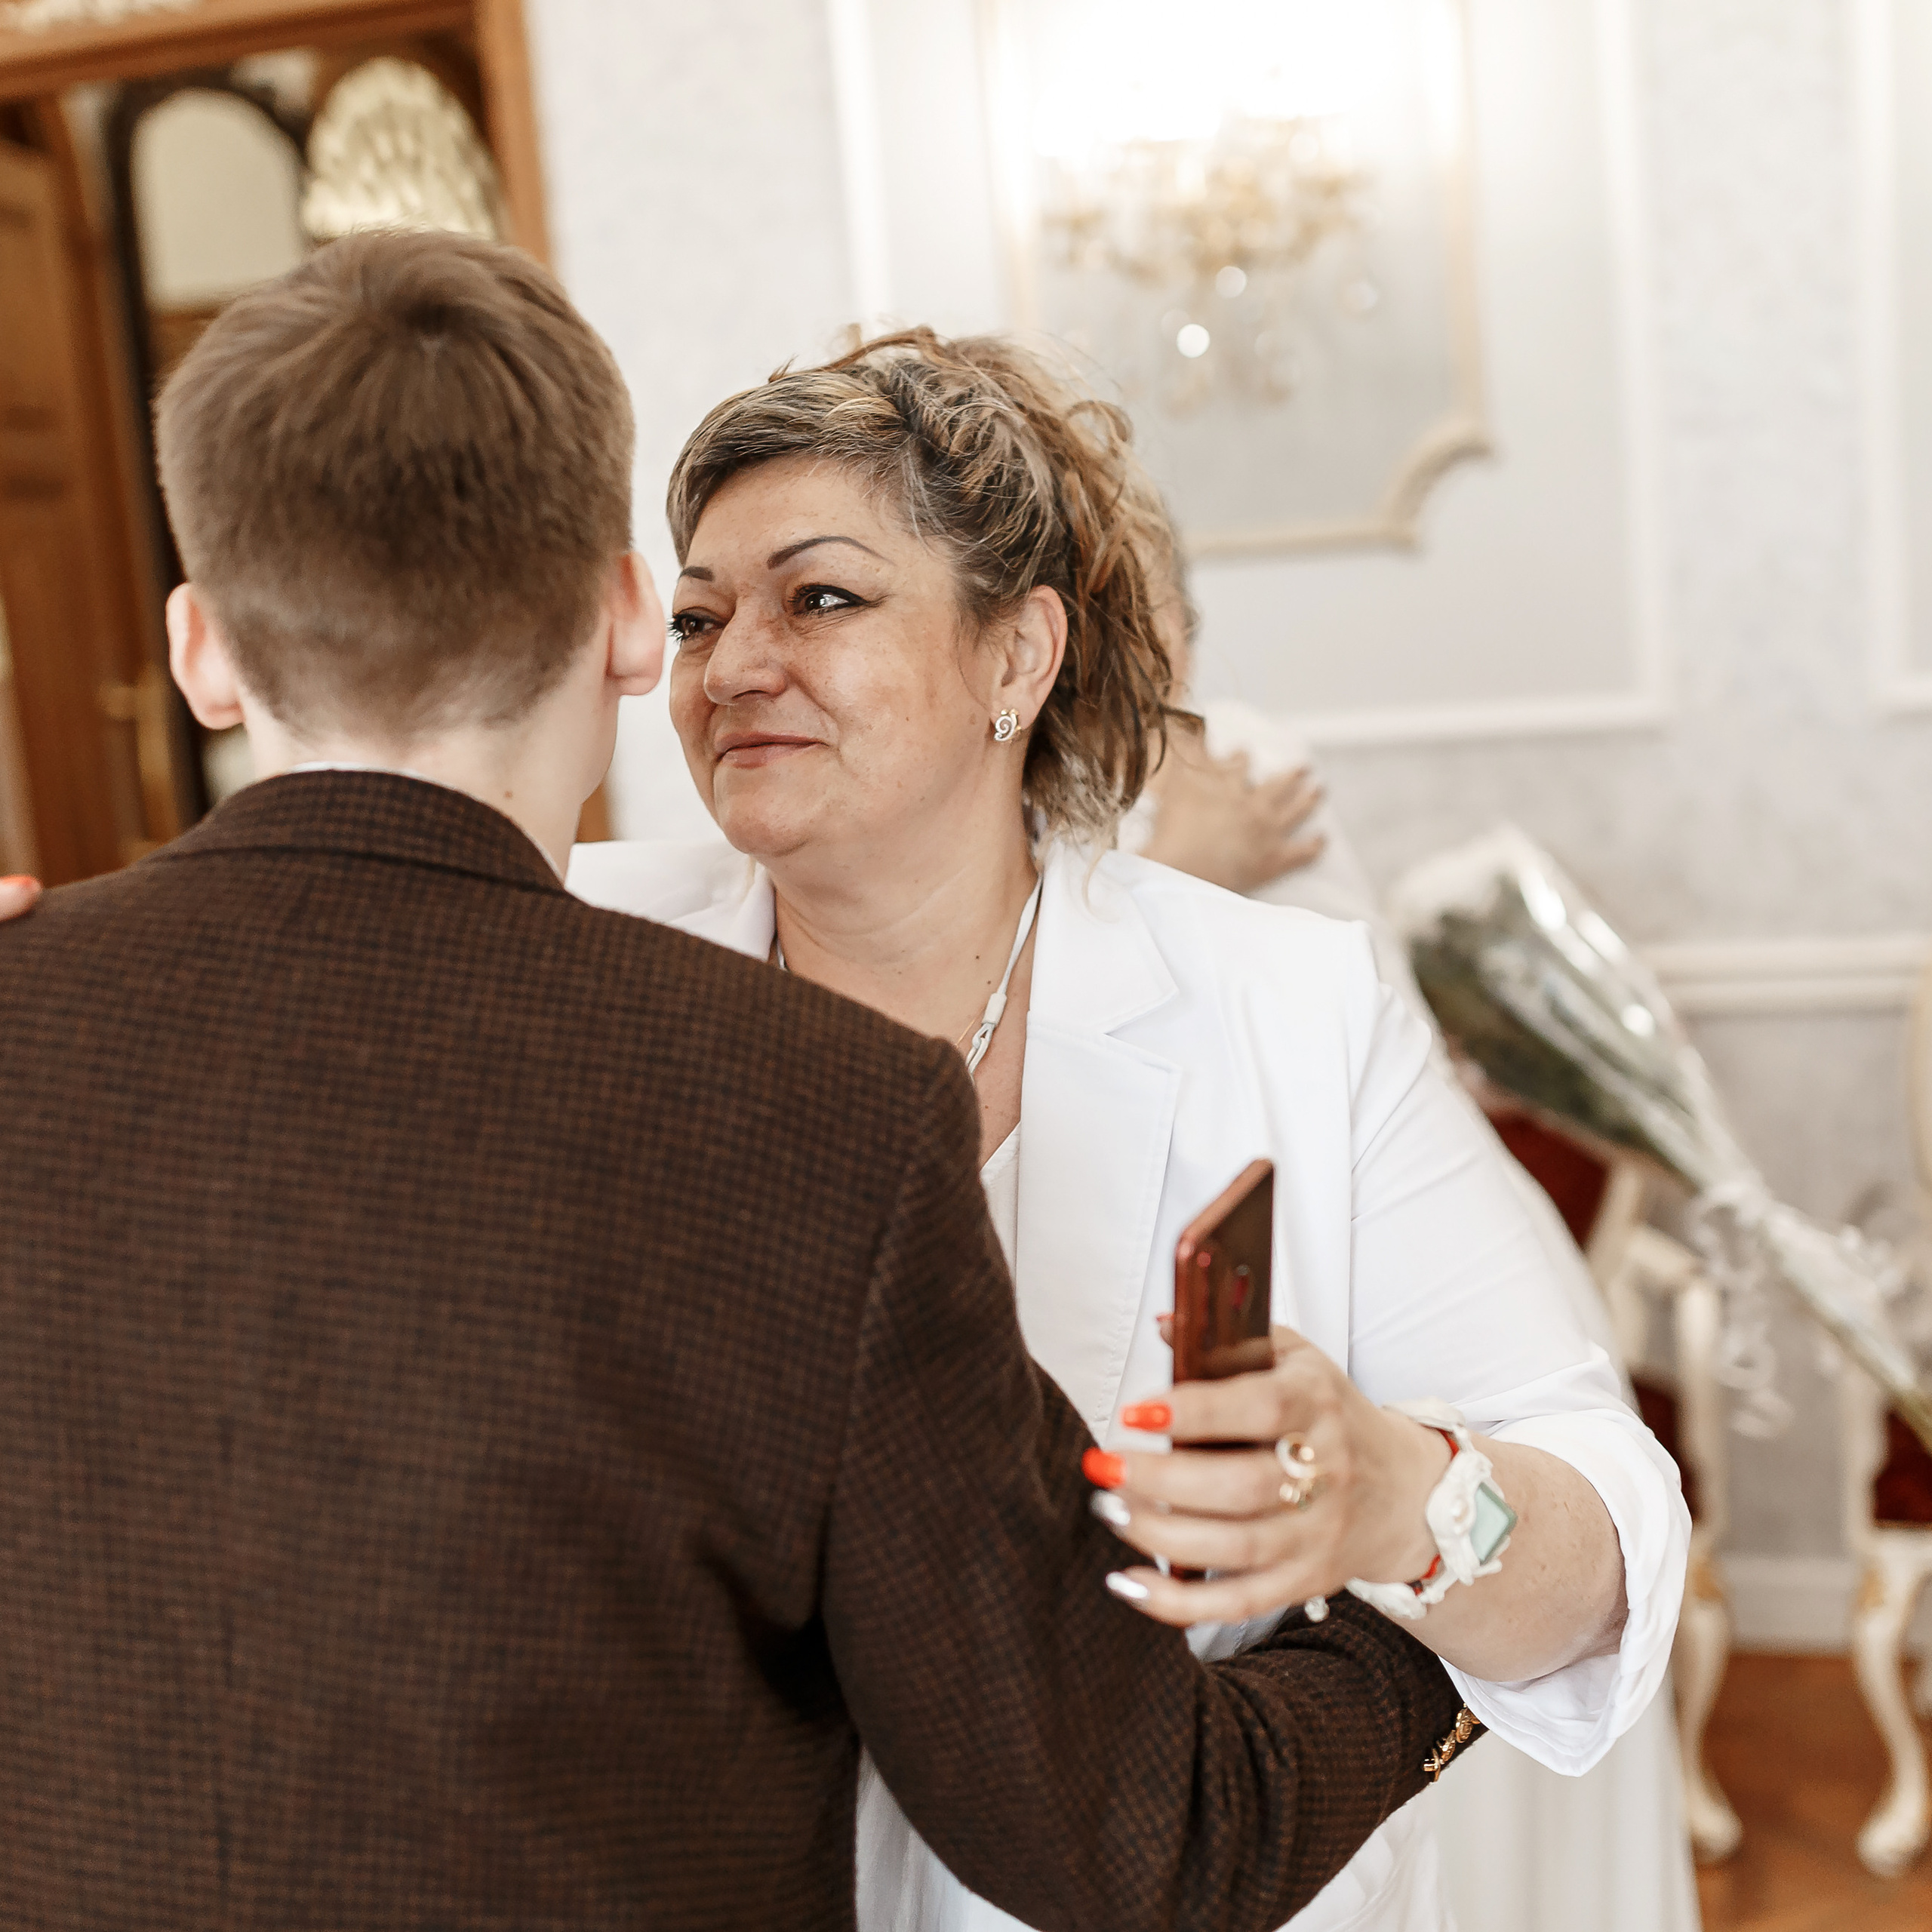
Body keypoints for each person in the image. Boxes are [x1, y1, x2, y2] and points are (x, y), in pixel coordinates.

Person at [0, 232, 1481, 1929]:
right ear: (633, 622)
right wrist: (1412, 1648)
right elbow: (1133, 1835)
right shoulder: (818, 1120)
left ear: (200, 648)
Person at [565, 328, 1690, 1931]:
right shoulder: (578, 958)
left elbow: (1603, 1540)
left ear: (1016, 660)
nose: (733, 658)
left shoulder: (1287, 1004)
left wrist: (1386, 1491)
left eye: (818, 596)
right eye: (695, 614)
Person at [1128, 581, 1704, 1932]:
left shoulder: (1245, 763)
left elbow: (1250, 1019)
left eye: (1151, 595)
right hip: (1327, 1295)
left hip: (1406, 1303)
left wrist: (1182, 863)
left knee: (1484, 1719)